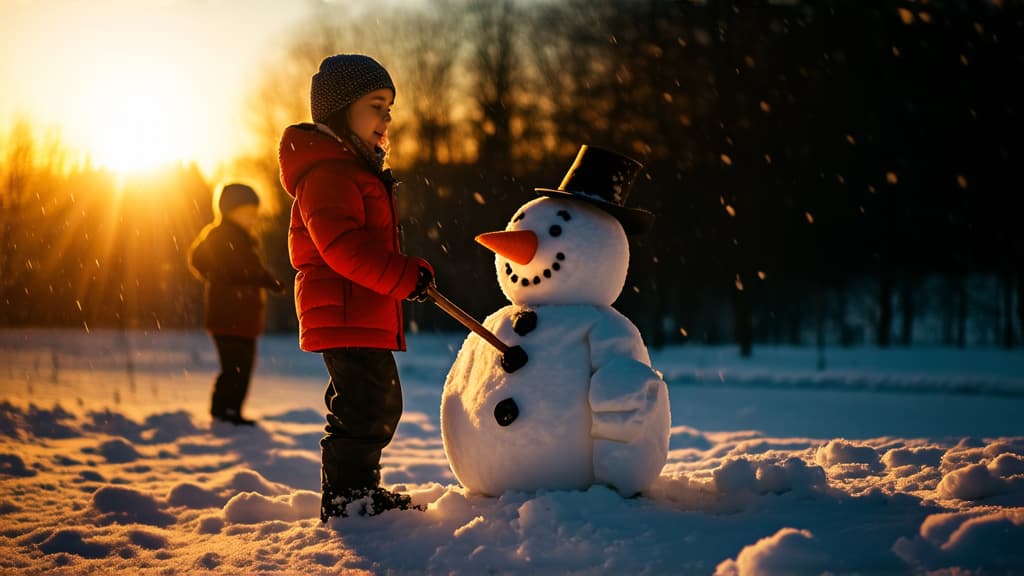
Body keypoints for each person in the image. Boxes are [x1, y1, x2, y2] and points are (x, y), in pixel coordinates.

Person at [277, 54, 435, 521]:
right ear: (341, 111)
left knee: (374, 405)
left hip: (360, 310)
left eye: (389, 108)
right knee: (366, 409)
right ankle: (348, 500)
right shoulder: (329, 175)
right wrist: (403, 275)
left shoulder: (352, 170)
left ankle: (358, 491)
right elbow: (341, 248)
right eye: (376, 105)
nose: (387, 118)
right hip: (345, 311)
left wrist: (406, 275)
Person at [189, 183, 286, 426]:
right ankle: (224, 412)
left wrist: (268, 281)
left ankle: (230, 411)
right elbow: (200, 258)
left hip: (243, 316)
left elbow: (249, 270)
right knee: (235, 367)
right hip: (228, 315)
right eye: (247, 213)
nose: (253, 218)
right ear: (229, 211)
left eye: (255, 213)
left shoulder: (244, 239)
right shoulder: (222, 236)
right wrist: (220, 274)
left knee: (242, 366)